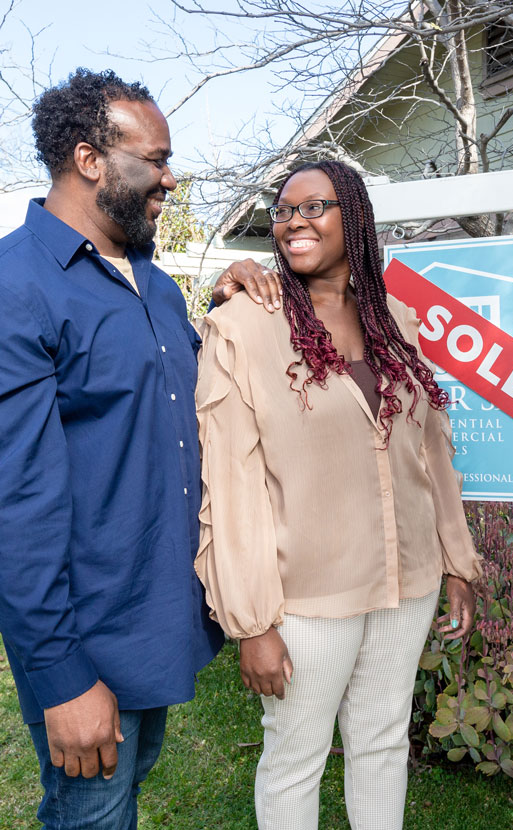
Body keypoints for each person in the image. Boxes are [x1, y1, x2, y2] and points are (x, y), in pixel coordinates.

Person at [0, 68, 280, 830]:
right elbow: (15, 507)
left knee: (120, 797)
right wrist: (62, 678)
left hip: (154, 620)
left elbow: (171, 402)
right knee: (92, 814)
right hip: (85, 640)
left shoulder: (152, 283)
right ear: (90, 160)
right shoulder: (17, 286)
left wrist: (224, 306)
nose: (170, 177)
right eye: (155, 160)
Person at [195, 158, 482, 830]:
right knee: (296, 759)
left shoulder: (397, 321)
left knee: (382, 742)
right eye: (283, 210)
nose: (294, 221)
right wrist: (252, 624)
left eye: (313, 206)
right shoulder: (244, 327)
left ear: (353, 217)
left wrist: (456, 562)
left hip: (406, 582)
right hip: (308, 597)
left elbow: (432, 451)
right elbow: (232, 488)